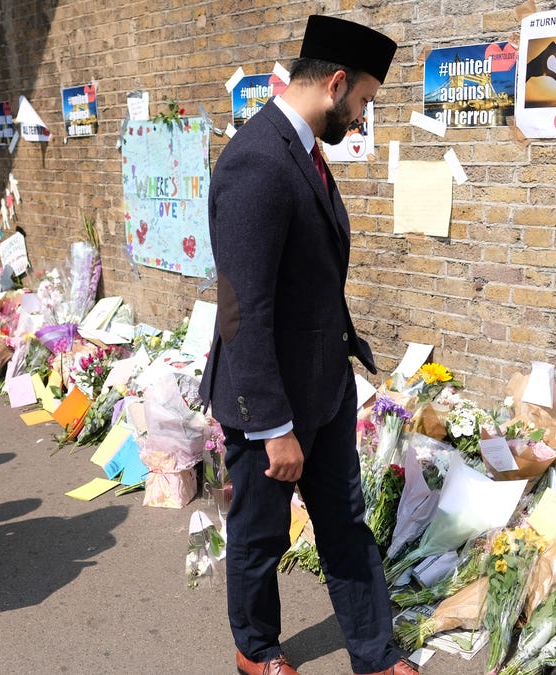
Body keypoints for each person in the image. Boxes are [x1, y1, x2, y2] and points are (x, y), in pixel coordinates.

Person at [199, 16, 416, 675]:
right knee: (260, 535)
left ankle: (375, 654)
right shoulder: (257, 161)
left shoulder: (303, 150)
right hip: (269, 400)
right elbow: (242, 311)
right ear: (336, 82)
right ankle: (256, 649)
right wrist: (273, 428)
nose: (363, 115)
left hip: (324, 386)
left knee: (345, 523)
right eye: (365, 101)